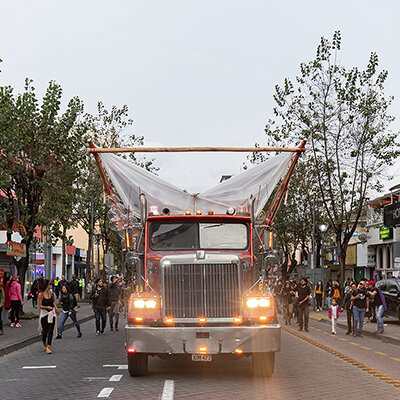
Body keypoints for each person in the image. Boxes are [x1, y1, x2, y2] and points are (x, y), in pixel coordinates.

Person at [38, 279, 60, 354]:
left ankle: (49, 346)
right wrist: (47, 307)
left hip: (52, 313)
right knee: (45, 331)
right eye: (49, 284)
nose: (50, 286)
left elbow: (53, 301)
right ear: (46, 285)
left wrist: (56, 308)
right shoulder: (40, 294)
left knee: (51, 330)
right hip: (44, 314)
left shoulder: (51, 293)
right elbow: (40, 305)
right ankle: (44, 342)